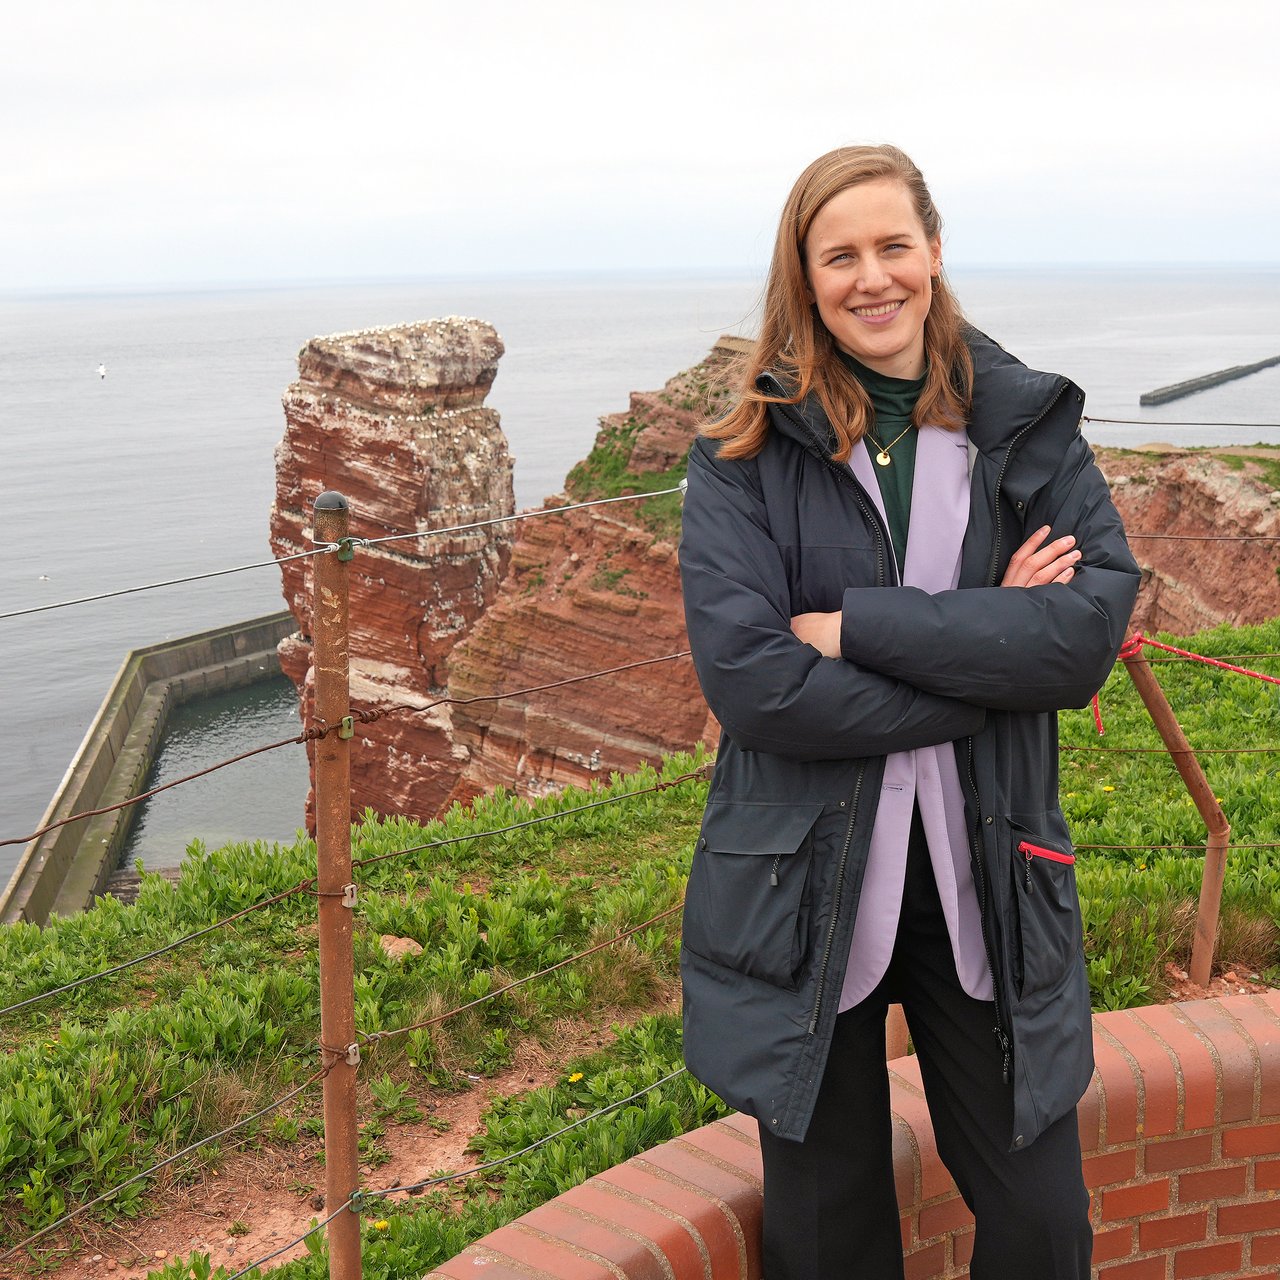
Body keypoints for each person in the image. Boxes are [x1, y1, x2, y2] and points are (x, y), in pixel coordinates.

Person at [677, 144, 1140, 1279]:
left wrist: (855, 627)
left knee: (1040, 1222)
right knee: (827, 1235)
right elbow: (753, 682)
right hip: (804, 879)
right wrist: (983, 646)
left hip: (983, 867)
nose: (870, 276)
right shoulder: (740, 460)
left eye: (893, 246)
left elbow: (1079, 636)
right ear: (804, 276)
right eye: (839, 255)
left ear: (933, 252)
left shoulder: (1024, 426)